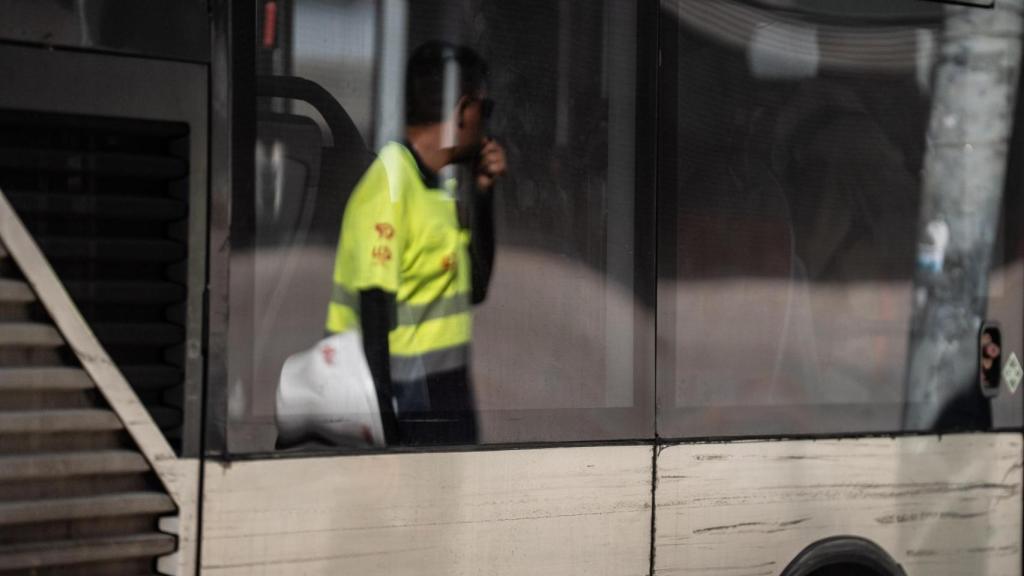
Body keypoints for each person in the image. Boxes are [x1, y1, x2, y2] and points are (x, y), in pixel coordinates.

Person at [325, 41, 506, 446]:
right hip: (403, 417)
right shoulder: (389, 186)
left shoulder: (438, 189)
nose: (488, 125)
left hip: (442, 406)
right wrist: (385, 438)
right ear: (463, 109)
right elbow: (373, 320)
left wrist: (483, 193)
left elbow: (474, 288)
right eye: (486, 108)